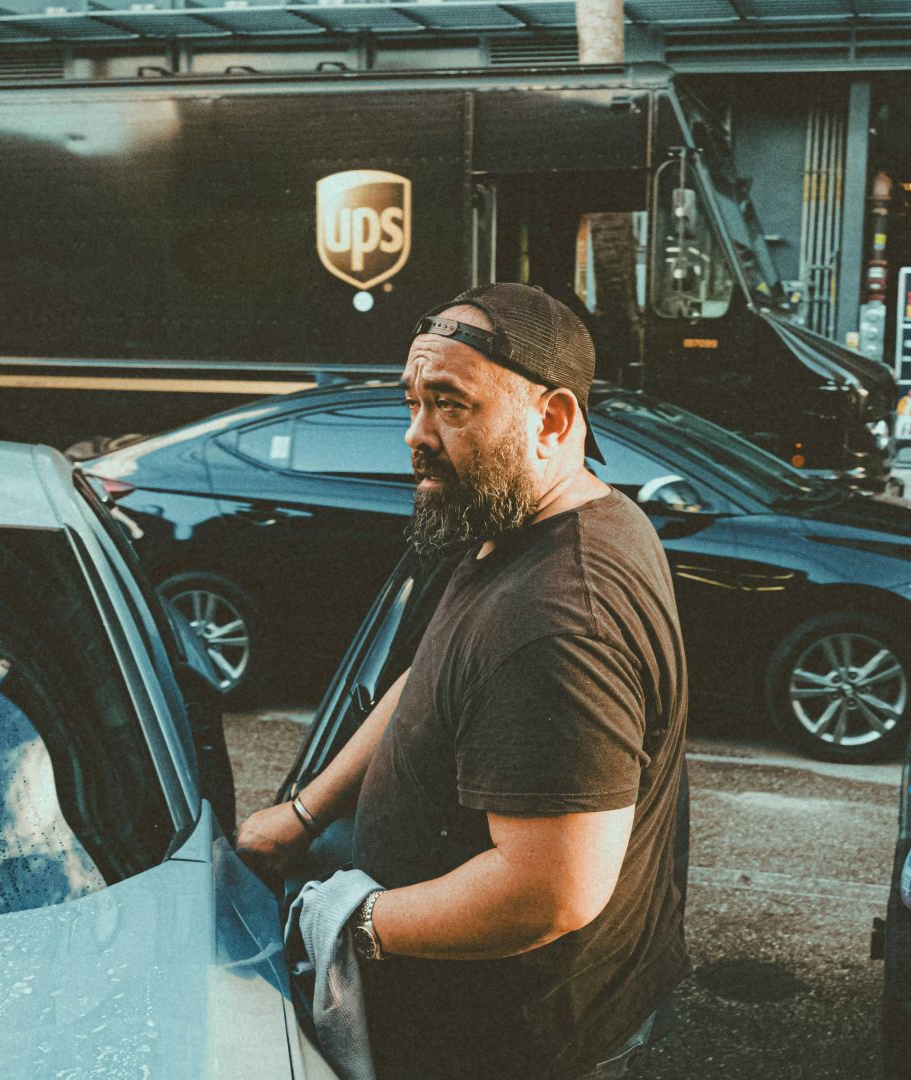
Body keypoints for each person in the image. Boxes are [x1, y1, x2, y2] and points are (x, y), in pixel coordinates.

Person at [236, 283, 690, 1080]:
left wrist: (353, 920)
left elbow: (548, 891)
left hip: (512, 1044)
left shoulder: (559, 617)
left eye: (450, 405)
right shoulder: (515, 522)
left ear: (552, 420)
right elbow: (430, 673)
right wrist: (306, 815)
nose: (416, 436)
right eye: (412, 404)